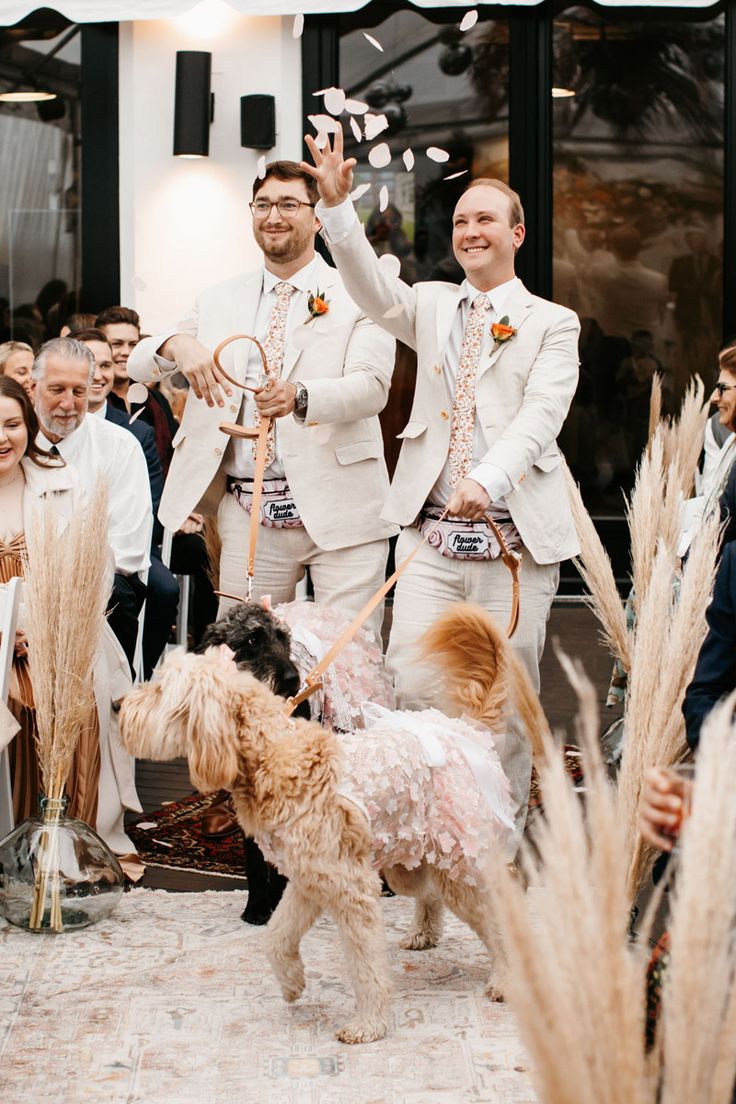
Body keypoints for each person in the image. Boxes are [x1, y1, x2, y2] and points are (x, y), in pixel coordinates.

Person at [302, 127, 580, 706]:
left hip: (513, 543)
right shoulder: (428, 303)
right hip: (429, 540)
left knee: (502, 699)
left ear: (517, 233)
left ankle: (509, 802)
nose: (470, 232)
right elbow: (372, 290)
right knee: (412, 686)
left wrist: (487, 479)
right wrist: (334, 206)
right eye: (460, 222)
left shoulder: (554, 322)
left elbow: (541, 416)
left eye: (485, 220)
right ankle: (432, 801)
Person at [127, 159, 397, 639]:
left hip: (343, 513)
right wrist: (176, 344)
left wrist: (300, 396)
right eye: (263, 204)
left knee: (348, 661)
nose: (274, 216)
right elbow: (138, 364)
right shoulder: (218, 298)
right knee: (244, 659)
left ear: (317, 217)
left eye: (289, 204)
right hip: (249, 511)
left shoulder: (358, 292)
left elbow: (371, 387)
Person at [0, 376, 140, 852]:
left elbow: (94, 565)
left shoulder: (62, 479)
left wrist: (48, 625)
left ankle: (64, 845)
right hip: (0, 638)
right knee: (13, 703)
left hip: (60, 628)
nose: (3, 437)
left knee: (67, 700)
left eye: (13, 424)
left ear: (29, 425)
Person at [31, 337, 152, 673]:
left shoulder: (119, 447)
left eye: (78, 391)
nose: (68, 404)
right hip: (25, 583)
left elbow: (126, 551)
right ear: (32, 387)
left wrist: (65, 592)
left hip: (101, 588)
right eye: (57, 390)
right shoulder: (14, 444)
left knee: (117, 594)